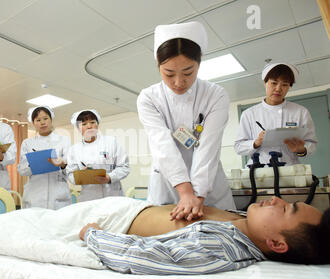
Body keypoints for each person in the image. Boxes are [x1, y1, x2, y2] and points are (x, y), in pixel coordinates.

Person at [137, 21, 235, 221]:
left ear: (200, 60)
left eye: (188, 72)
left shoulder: (215, 95)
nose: (178, 82)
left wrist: (197, 194)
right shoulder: (148, 98)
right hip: (167, 185)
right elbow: (162, 144)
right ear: (158, 63)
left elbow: (209, 146)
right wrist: (185, 191)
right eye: (169, 74)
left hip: (208, 187)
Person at [79, 197, 330, 275]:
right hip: (129, 205)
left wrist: (92, 235)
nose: (276, 199)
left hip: (111, 219)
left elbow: (141, 258)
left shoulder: (222, 247)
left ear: (276, 243)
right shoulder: (244, 223)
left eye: (286, 209)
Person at [234, 62, 317, 166]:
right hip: (259, 172)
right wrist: (256, 142)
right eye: (274, 83)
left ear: (289, 87)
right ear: (265, 83)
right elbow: (238, 147)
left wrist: (301, 149)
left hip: (290, 169)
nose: (278, 88)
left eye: (284, 84)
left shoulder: (300, 112)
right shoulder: (249, 114)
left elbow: (312, 143)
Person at [66, 109, 130, 202]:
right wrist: (80, 176)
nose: (89, 126)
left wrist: (109, 177)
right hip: (89, 198)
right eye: (84, 124)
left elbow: (124, 167)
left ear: (97, 124)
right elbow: (70, 174)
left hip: (113, 196)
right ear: (79, 128)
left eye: (92, 122)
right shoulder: (74, 150)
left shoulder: (111, 142)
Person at [17, 106, 72, 209]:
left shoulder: (64, 140)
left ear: (51, 120)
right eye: (38, 120)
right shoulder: (27, 143)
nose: (42, 122)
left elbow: (71, 168)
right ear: (33, 123)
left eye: (45, 118)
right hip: (35, 195)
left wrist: (62, 164)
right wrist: (34, 163)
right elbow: (22, 170)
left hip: (58, 195)